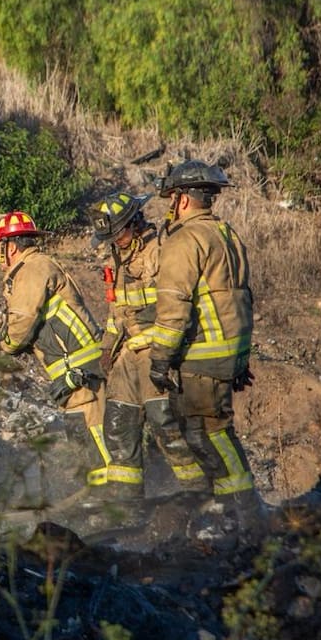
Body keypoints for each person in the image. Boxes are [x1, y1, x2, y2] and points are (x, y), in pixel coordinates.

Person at [0, 210, 109, 490]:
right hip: (72, 371)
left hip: (79, 370)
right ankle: (97, 496)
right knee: (82, 436)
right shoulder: (32, 268)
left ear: (10, 246)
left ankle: (114, 498)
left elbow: (18, 329)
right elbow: (6, 328)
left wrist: (4, 346)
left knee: (94, 435)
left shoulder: (32, 269)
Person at [146, 160, 259, 515]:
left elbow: (174, 306)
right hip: (229, 353)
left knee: (210, 432)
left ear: (180, 200)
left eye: (171, 199)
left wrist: (161, 357)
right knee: (208, 431)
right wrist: (239, 360)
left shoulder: (185, 240)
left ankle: (242, 508)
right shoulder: (227, 236)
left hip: (201, 356)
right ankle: (227, 506)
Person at [88, 191, 206, 503]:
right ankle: (125, 504)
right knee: (118, 426)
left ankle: (199, 495)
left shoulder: (160, 252)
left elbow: (176, 306)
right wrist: (107, 346)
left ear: (135, 223)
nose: (115, 242)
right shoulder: (118, 257)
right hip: (128, 355)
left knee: (165, 425)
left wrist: (165, 356)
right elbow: (118, 310)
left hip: (157, 351)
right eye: (110, 237)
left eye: (118, 234)